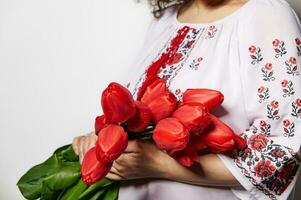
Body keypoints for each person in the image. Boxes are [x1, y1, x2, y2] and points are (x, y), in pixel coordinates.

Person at [72, 0, 301, 199]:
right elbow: (136, 114)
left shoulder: (267, 16)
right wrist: (99, 140)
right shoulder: (164, 21)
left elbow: (283, 152)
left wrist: (159, 164)